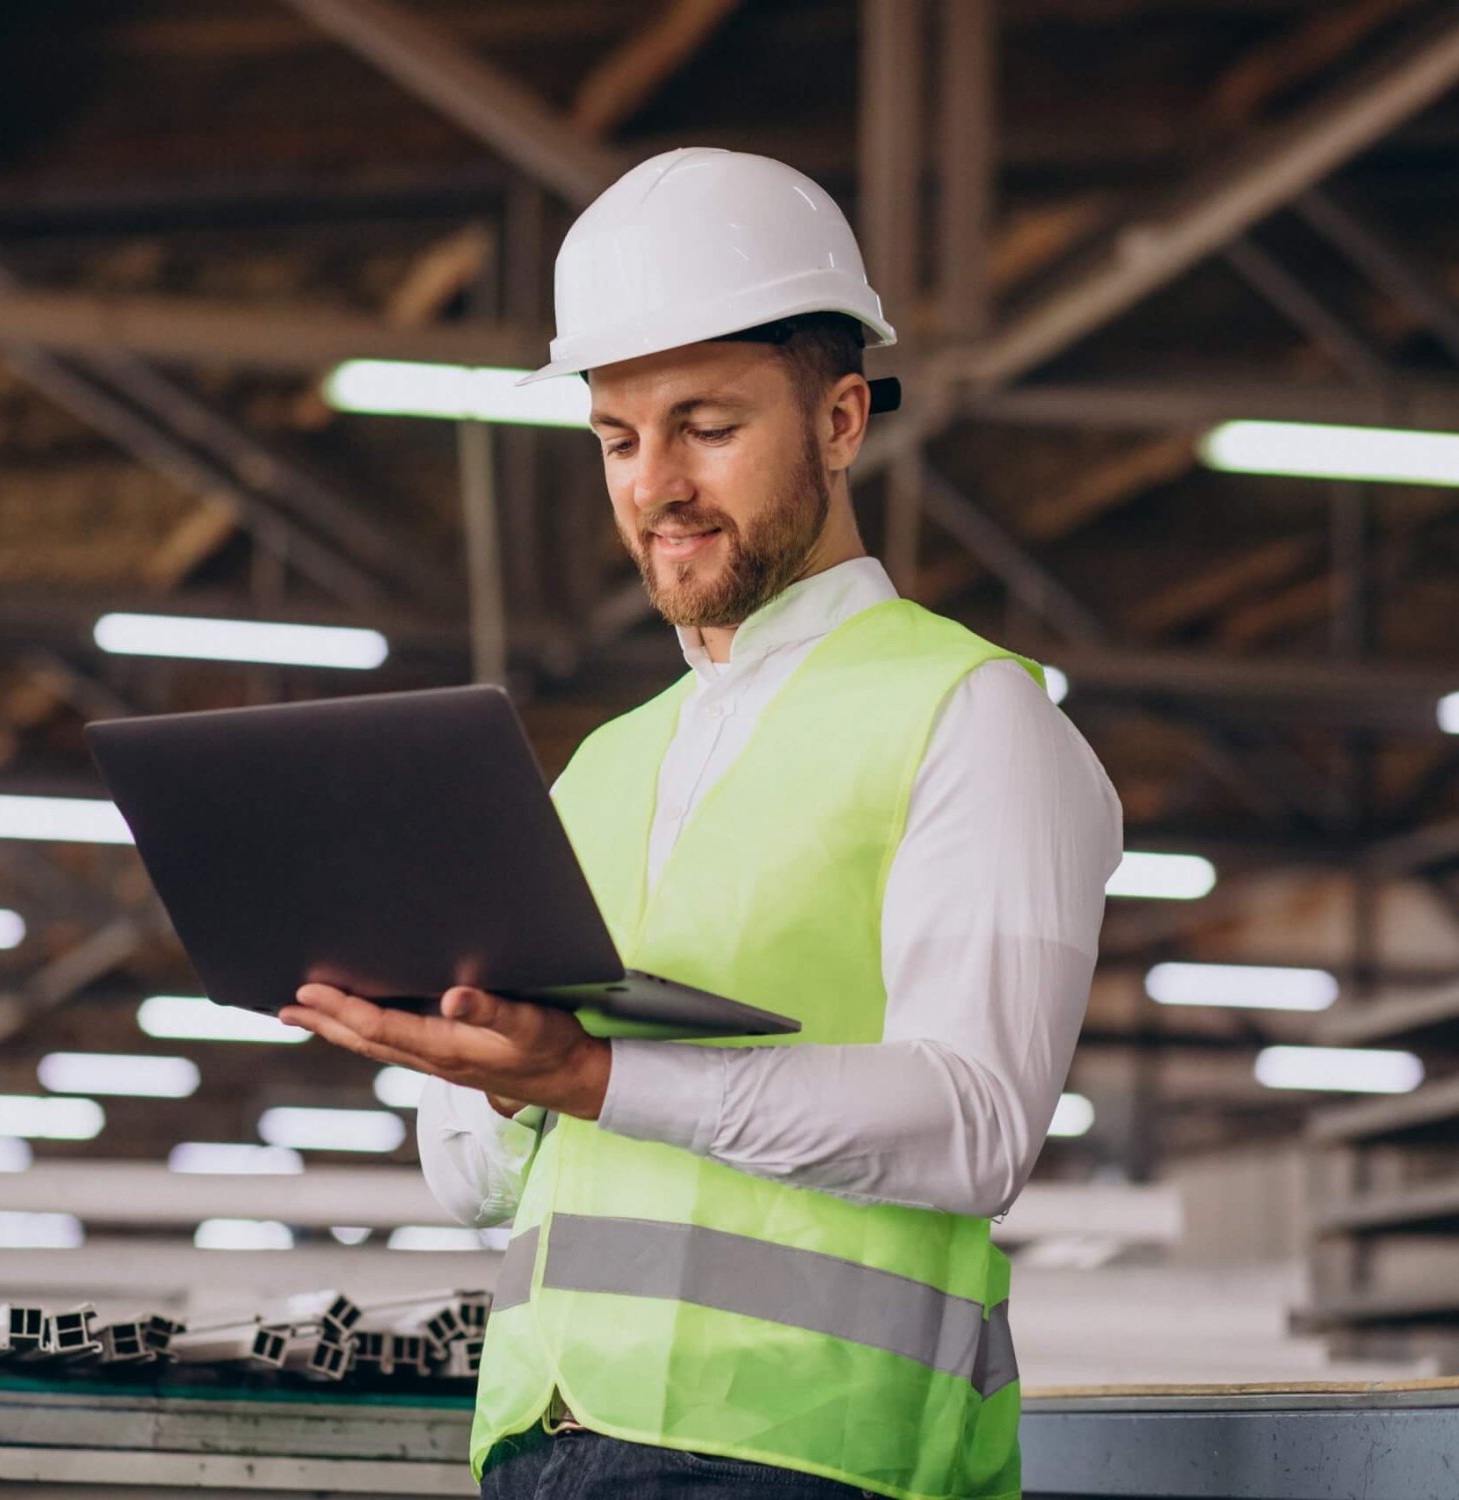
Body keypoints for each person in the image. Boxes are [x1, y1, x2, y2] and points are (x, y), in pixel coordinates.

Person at [277, 147, 1122, 1500]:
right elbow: (472, 1185)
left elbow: (978, 1126)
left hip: (813, 1462)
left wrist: (594, 1077)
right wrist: (490, 1074)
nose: (653, 484)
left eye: (706, 427)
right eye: (618, 439)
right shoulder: (599, 768)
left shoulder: (971, 717)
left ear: (841, 420)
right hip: (542, 1444)